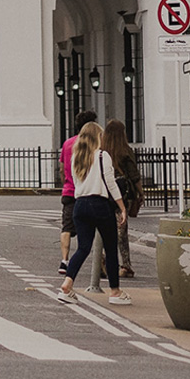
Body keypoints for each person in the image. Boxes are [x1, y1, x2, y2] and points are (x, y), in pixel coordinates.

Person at [56, 121, 130, 305]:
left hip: (79, 205)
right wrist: (121, 207)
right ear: (98, 137)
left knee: (83, 248)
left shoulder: (76, 158)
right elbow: (110, 183)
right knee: (111, 248)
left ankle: (67, 284)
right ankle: (115, 291)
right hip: (99, 204)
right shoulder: (102, 156)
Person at [101, 118, 141, 279]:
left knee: (103, 229)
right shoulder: (125, 151)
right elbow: (134, 175)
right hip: (121, 195)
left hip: (104, 194)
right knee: (121, 231)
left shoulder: (102, 151)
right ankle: (126, 264)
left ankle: (103, 259)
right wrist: (141, 193)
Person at [59, 108, 97, 273]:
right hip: (88, 192)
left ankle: (64, 260)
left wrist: (66, 183)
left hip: (69, 191)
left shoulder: (68, 143)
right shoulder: (93, 145)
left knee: (66, 227)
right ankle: (99, 262)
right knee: (93, 228)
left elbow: (61, 169)